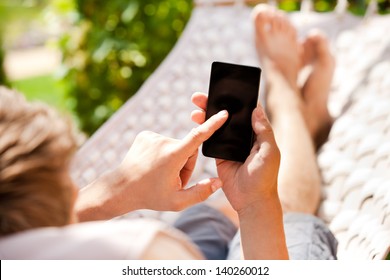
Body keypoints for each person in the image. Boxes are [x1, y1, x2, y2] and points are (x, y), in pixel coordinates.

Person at [0, 4, 336, 260]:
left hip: (180, 248)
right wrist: (258, 205)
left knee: (207, 217)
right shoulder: (140, 252)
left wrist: (117, 190)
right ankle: (287, 95)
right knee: (288, 209)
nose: (76, 185)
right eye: (67, 181)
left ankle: (301, 132)